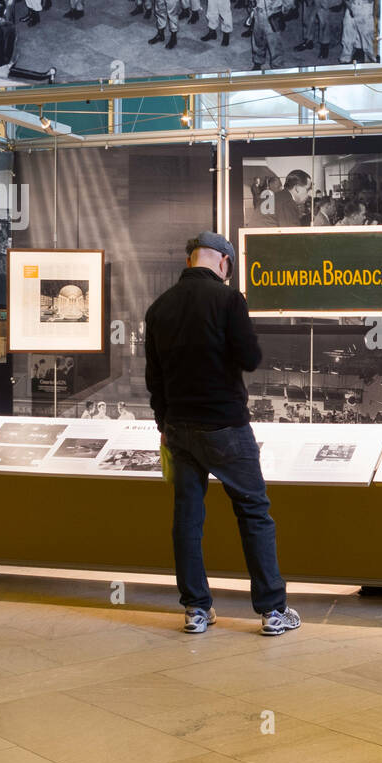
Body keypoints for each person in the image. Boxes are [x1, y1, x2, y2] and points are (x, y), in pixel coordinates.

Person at [145, 231, 299, 636]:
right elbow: (250, 357)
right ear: (224, 263)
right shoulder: (230, 300)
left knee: (188, 520)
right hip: (226, 426)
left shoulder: (159, 307)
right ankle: (271, 611)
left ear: (191, 258)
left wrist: (164, 425)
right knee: (254, 514)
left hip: (179, 429)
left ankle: (196, 609)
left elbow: (154, 379)